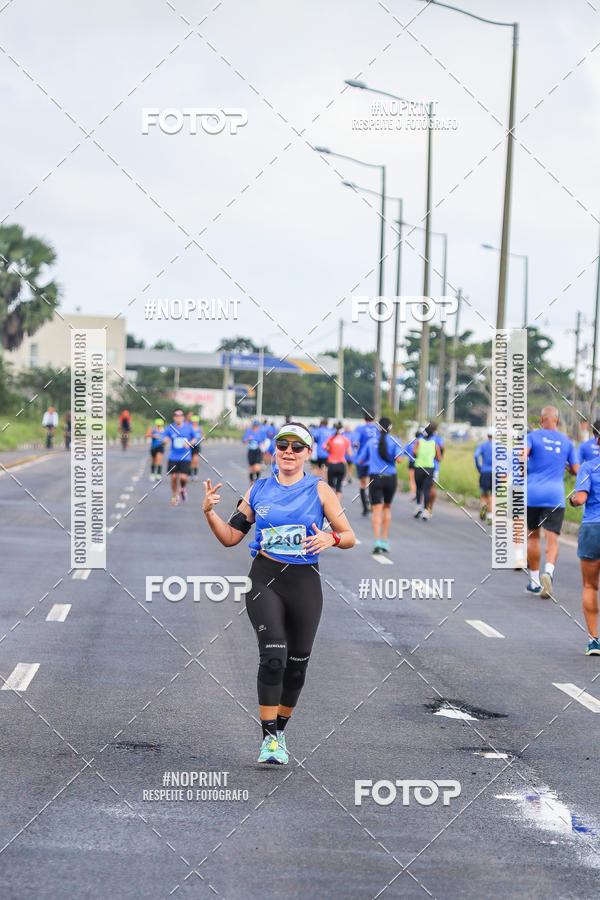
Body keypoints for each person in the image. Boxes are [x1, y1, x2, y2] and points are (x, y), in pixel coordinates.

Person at [203, 422, 355, 764]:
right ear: (274, 450)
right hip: (265, 578)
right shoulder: (258, 490)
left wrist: (330, 538)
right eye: (282, 445)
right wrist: (210, 513)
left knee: (297, 665)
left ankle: (281, 729)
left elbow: (349, 536)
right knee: (273, 656)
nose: (288, 451)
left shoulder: (320, 490)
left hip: (304, 582)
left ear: (308, 453)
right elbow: (230, 537)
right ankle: (269, 739)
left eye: (296, 447)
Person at [526, 406, 579, 597]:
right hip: (555, 496)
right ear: (556, 420)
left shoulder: (532, 436)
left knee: (532, 536)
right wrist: (569, 468)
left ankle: (533, 582)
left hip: (532, 494)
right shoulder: (566, 441)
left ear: (542, 419)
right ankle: (548, 571)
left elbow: (521, 455)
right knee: (552, 539)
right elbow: (576, 469)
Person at [570, 424, 600, 654]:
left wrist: (573, 500)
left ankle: (593, 640)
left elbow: (580, 498)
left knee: (590, 585)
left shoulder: (589, 467)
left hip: (592, 528)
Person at [365, 417, 403, 553]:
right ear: (390, 428)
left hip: (375, 478)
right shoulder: (395, 441)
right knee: (387, 508)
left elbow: (361, 458)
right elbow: (399, 460)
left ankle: (376, 540)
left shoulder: (371, 442)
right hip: (390, 478)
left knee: (376, 510)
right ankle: (384, 541)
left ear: (378, 428)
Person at [162, 409, 196, 505]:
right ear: (174, 417)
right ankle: (175, 495)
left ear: (183, 417)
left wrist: (189, 443)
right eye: (176, 415)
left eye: (180, 415)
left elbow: (194, 439)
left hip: (185, 456)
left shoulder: (189, 427)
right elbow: (164, 436)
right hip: (173, 457)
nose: (178, 417)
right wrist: (164, 440)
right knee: (173, 477)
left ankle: (183, 488)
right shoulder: (170, 428)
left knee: (183, 478)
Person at [413, 424, 442, 520]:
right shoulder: (434, 444)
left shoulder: (419, 441)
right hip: (429, 468)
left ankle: (418, 507)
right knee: (427, 489)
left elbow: (414, 452)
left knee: (418, 488)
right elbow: (439, 458)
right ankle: (426, 510)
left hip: (419, 467)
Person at [354, 412, 379, 516]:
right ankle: (372, 504)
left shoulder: (360, 429)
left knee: (362, 483)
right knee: (371, 482)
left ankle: (365, 508)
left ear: (364, 418)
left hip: (362, 460)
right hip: (374, 460)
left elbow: (355, 443)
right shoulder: (378, 429)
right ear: (374, 418)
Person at [323, 422, 352, 500]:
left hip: (331, 463)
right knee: (339, 486)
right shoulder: (346, 440)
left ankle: (330, 505)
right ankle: (337, 505)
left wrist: (330, 449)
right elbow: (350, 454)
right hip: (341, 464)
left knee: (330, 485)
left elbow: (324, 447)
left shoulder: (331, 439)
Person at [474, 430, 494, 523]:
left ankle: (483, 506)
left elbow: (476, 455)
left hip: (484, 472)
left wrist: (479, 467)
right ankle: (490, 516)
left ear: (487, 436)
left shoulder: (482, 445)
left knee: (483, 494)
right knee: (492, 495)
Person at [427, 423, 444, 516]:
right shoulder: (438, 438)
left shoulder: (424, 438)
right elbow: (442, 448)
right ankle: (429, 507)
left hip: (423, 466)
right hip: (435, 467)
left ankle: (423, 506)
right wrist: (440, 457)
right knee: (432, 488)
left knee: (424, 488)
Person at [403, 429, 422, 500]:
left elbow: (404, 452)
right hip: (420, 463)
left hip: (411, 462)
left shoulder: (410, 443)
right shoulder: (423, 442)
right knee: (419, 479)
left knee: (412, 479)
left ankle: (413, 493)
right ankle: (419, 493)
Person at [189, 414, 203, 481]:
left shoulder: (200, 428)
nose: (195, 422)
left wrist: (202, 438)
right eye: (193, 421)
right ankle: (189, 474)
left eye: (196, 421)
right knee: (190, 461)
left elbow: (202, 436)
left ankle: (195, 475)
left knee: (195, 461)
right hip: (190, 446)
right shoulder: (189, 428)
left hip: (197, 446)